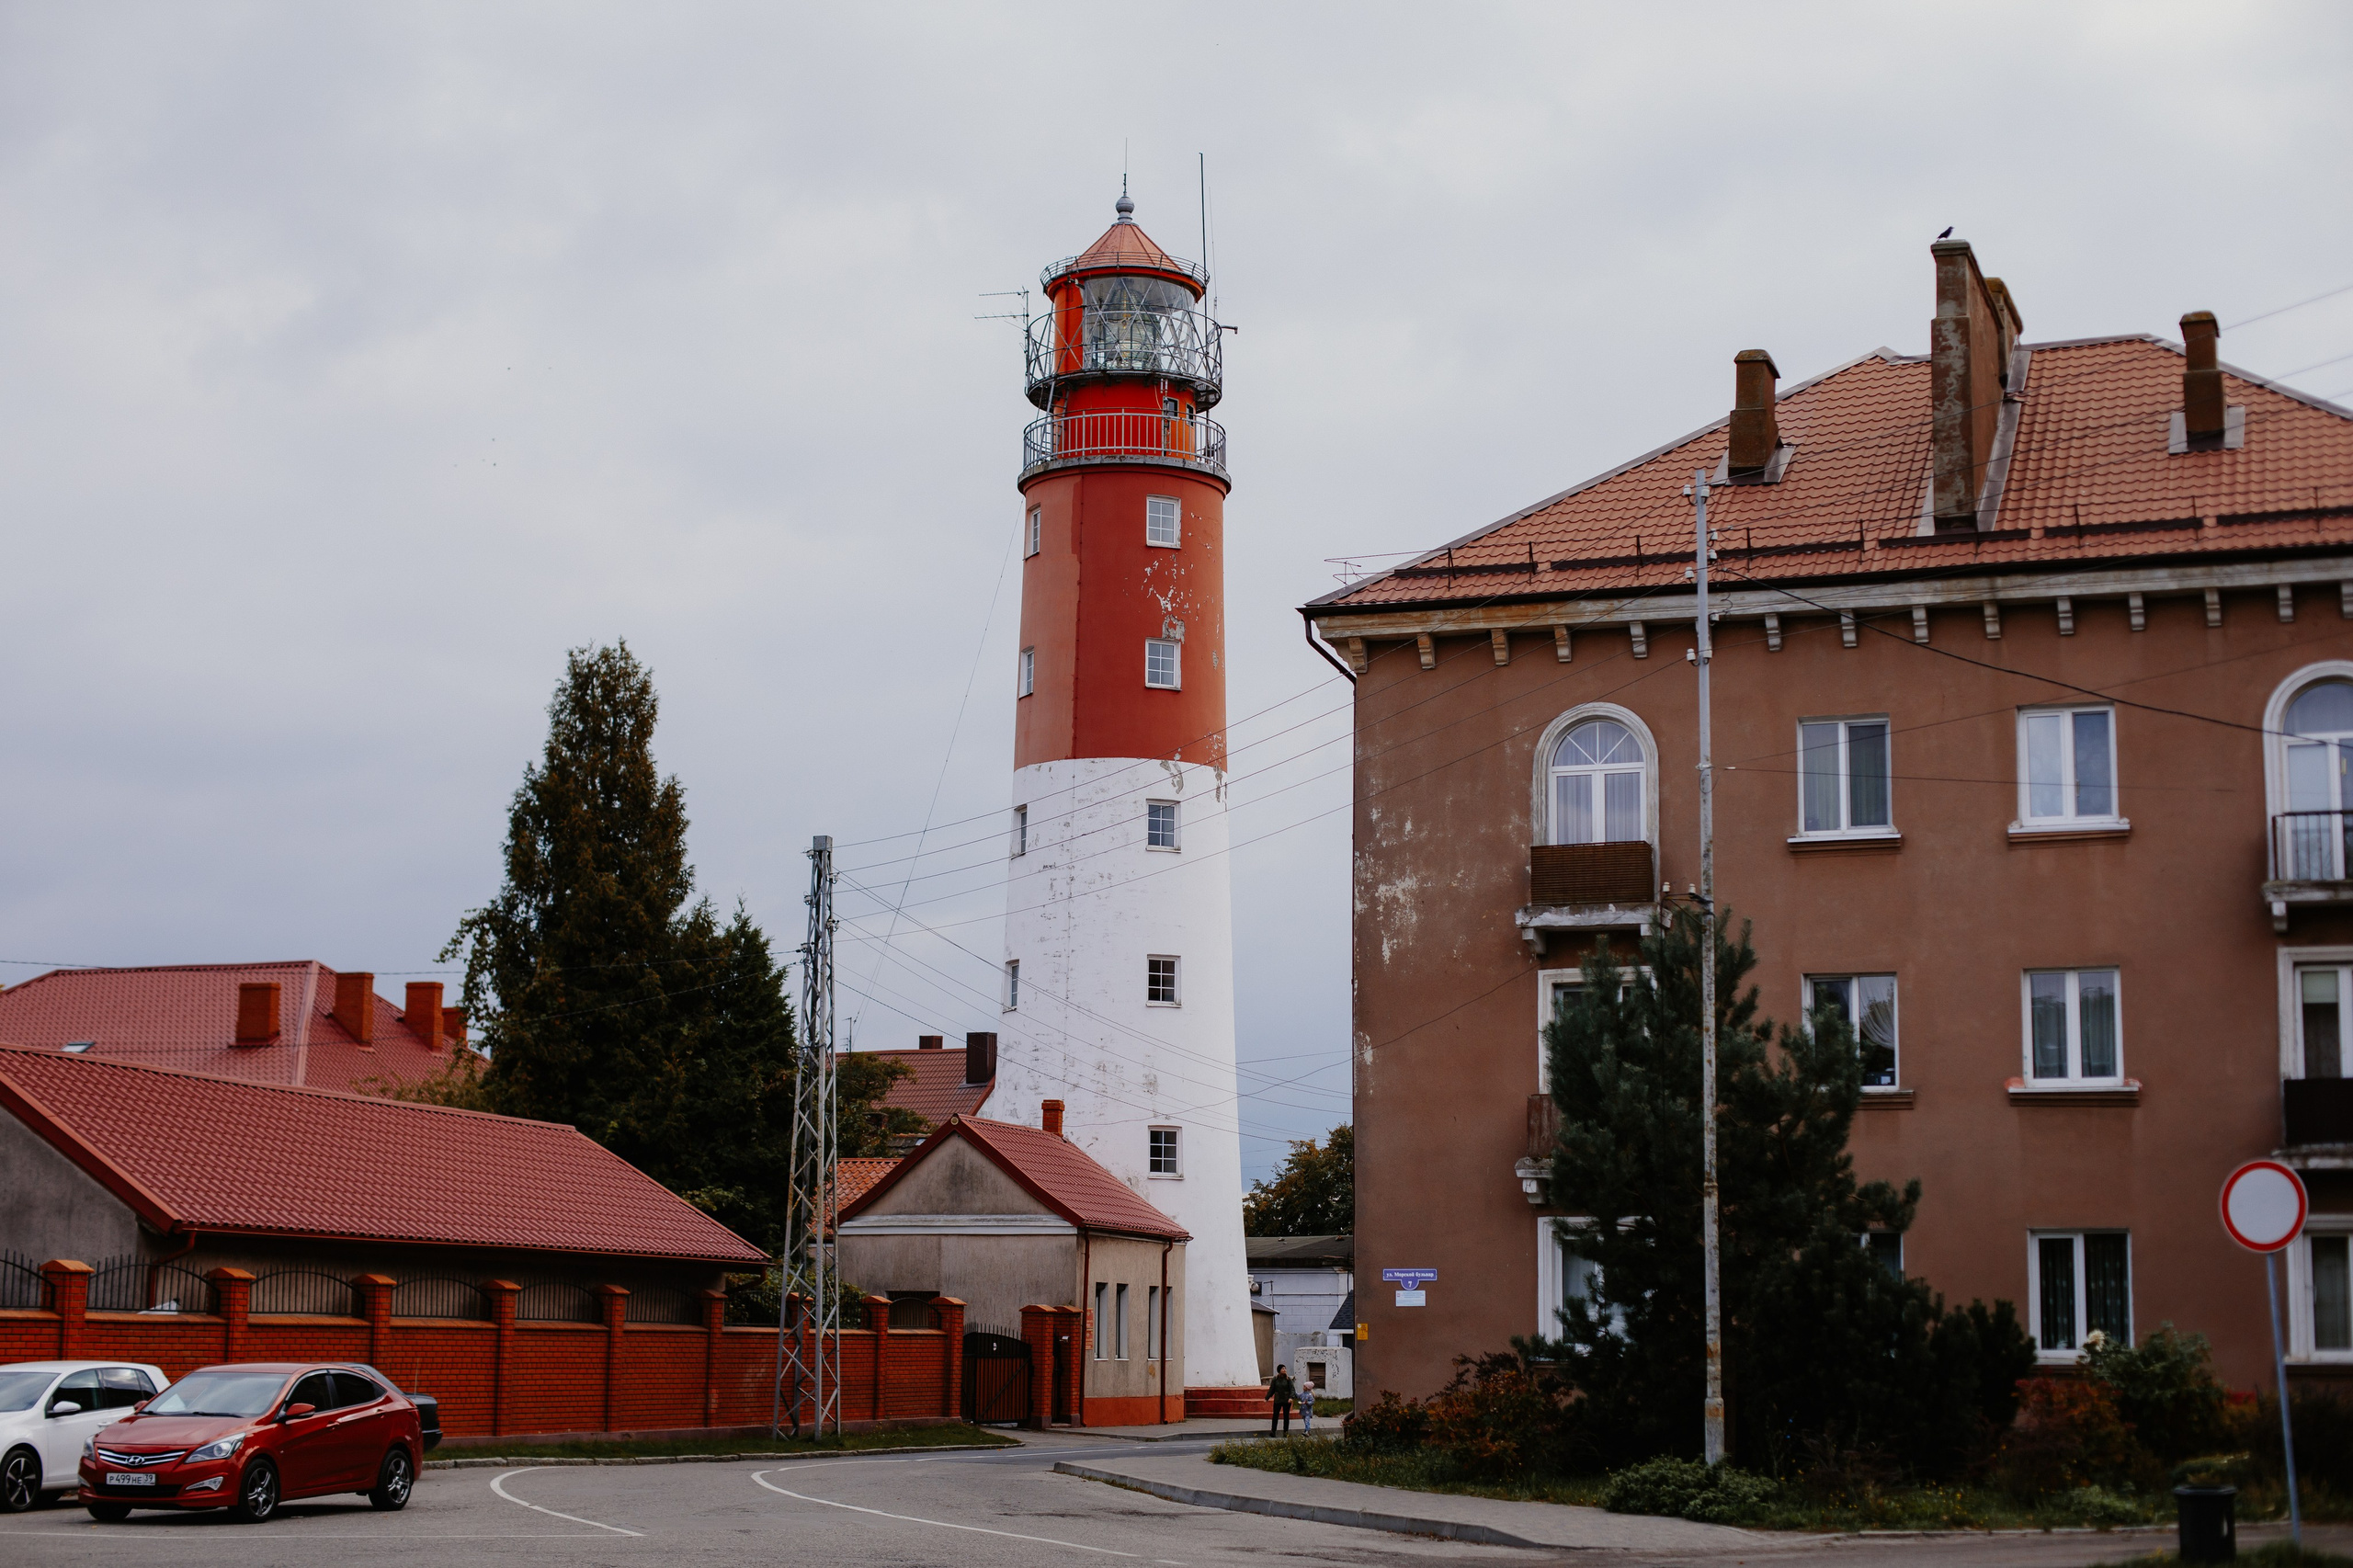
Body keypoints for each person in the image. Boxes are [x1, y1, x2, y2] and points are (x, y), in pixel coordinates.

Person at [1267, 1365, 1297, 1436]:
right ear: (1279, 1370)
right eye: (1283, 1369)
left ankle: (1285, 1432)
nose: (1284, 1370)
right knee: (1275, 1416)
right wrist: (1267, 1397)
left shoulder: (1288, 1379)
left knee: (1286, 1416)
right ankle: (1273, 1431)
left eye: (1285, 1368)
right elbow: (1272, 1389)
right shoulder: (1275, 1379)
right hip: (1278, 1400)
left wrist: (1291, 1397)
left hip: (1287, 1400)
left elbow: (1292, 1389)